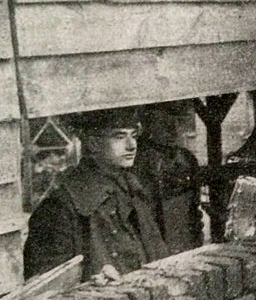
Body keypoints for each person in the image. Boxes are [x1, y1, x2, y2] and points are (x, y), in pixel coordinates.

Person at [23, 106, 170, 280]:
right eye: (119, 137)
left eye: (134, 136)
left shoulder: (133, 191)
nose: (132, 146)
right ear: (93, 144)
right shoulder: (60, 208)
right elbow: (47, 286)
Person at [133, 102, 203, 254]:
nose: (174, 129)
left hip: (185, 246)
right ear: (147, 123)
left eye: (179, 122)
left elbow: (194, 211)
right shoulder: (135, 162)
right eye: (164, 122)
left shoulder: (186, 159)